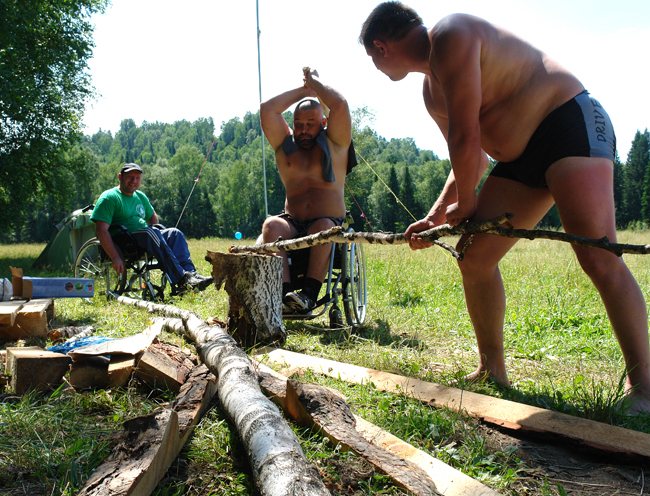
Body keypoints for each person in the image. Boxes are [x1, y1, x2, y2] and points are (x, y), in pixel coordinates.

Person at [361, 2, 650, 414]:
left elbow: (466, 136)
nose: (374, 66)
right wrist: (439, 212)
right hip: (519, 160)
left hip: (567, 122)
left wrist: (469, 201)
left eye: (371, 58)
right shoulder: (430, 90)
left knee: (598, 255)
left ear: (380, 46)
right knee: (474, 256)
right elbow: (472, 154)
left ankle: (645, 388)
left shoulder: (451, 34)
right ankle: (492, 369)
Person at [260, 69, 356, 313]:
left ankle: (309, 295)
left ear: (323, 123)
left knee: (323, 226)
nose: (303, 130)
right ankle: (283, 294)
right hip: (293, 222)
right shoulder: (284, 146)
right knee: (271, 225)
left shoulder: (336, 143)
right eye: (298, 124)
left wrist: (315, 84)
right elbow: (267, 109)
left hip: (328, 222)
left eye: (310, 124)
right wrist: (303, 91)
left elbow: (340, 105)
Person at [90, 163, 213, 292]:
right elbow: (101, 230)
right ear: (120, 177)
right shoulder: (109, 197)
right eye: (130, 177)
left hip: (145, 237)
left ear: (141, 180)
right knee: (151, 232)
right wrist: (115, 256)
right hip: (123, 240)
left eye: (137, 178)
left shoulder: (140, 196)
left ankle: (192, 275)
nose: (134, 181)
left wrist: (159, 237)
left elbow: (152, 216)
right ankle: (182, 279)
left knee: (174, 233)